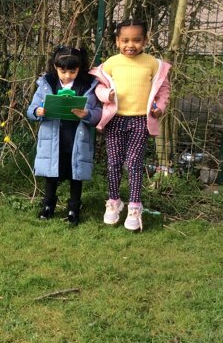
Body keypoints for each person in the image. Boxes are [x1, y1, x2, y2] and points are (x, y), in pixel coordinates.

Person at [91, 19, 171, 232]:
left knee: (134, 163)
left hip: (140, 121)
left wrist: (160, 107)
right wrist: (106, 95)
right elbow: (98, 86)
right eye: (125, 40)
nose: (130, 45)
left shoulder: (153, 64)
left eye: (136, 40)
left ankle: (135, 206)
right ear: (117, 41)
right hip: (115, 120)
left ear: (145, 40)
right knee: (114, 163)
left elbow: (164, 89)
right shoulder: (111, 63)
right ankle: (114, 201)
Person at [26, 46, 102, 225]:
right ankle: (48, 205)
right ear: (55, 67)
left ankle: (74, 208)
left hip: (77, 138)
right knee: (51, 174)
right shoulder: (47, 83)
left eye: (72, 71)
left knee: (76, 174)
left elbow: (98, 112)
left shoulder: (88, 85)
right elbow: (31, 109)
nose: (67, 76)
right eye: (63, 71)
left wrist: (88, 114)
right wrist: (38, 111)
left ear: (80, 68)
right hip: (53, 138)